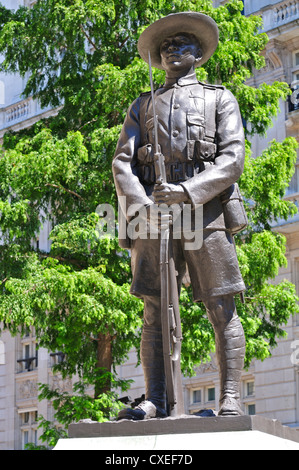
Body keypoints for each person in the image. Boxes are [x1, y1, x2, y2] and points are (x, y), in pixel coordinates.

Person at [112, 12, 246, 420]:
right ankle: (155, 398)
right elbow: (122, 162)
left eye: (182, 44)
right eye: (166, 47)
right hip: (153, 217)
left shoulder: (219, 98)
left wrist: (187, 191)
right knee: (154, 308)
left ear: (198, 54)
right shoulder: (143, 105)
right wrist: (145, 207)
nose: (172, 51)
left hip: (206, 213)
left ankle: (229, 397)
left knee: (221, 306)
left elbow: (232, 158)